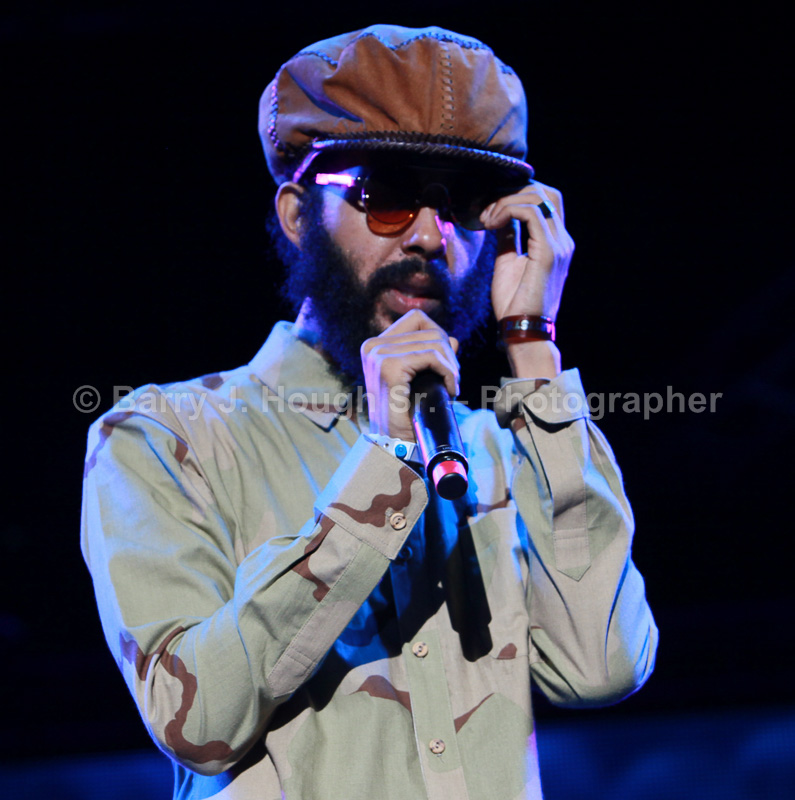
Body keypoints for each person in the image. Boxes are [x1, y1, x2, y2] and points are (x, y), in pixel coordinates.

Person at [81, 24, 657, 800]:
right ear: (298, 215)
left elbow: (600, 668)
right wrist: (384, 460)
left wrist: (532, 345)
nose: (429, 236)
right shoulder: (165, 435)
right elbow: (198, 724)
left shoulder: (501, 449)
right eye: (383, 195)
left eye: (463, 204)